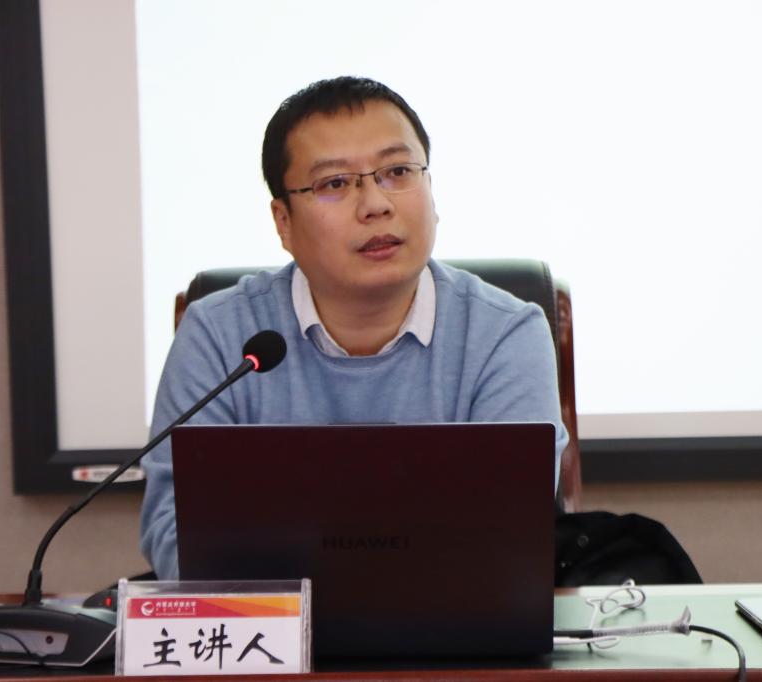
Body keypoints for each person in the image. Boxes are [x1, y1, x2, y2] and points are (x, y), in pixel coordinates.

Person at [140, 76, 569, 579]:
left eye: (398, 171)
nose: (376, 205)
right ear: (283, 222)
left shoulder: (505, 335)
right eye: (335, 184)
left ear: (431, 192)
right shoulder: (219, 336)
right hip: (268, 626)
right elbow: (177, 531)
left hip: (450, 625)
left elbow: (505, 539)